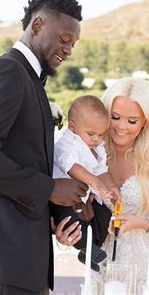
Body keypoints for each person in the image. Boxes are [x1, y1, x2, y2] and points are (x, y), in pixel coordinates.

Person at [0, 0, 88, 294]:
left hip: (18, 255)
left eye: (73, 44)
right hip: (1, 251)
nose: (68, 50)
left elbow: (26, 159)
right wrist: (50, 189)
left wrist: (56, 214)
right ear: (37, 26)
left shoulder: (29, 78)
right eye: (65, 39)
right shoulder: (7, 71)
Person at [58, 78, 149, 293]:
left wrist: (141, 223)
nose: (121, 127)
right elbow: (73, 205)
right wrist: (67, 235)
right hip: (104, 268)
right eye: (115, 117)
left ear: (145, 122)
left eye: (132, 121)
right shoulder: (88, 153)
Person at [51, 95, 120, 271]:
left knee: (104, 215)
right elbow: (70, 166)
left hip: (86, 197)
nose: (96, 139)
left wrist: (110, 187)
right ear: (73, 127)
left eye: (100, 134)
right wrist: (94, 182)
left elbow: (102, 171)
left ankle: (91, 249)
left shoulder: (96, 147)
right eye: (91, 134)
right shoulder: (66, 143)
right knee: (71, 224)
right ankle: (84, 247)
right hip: (64, 198)